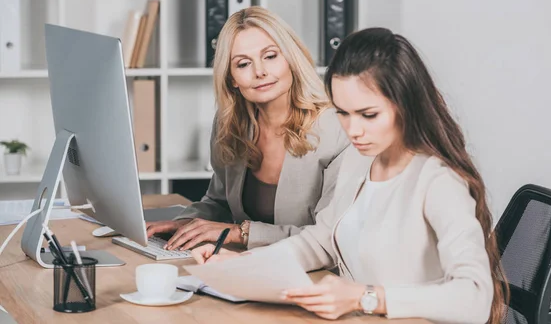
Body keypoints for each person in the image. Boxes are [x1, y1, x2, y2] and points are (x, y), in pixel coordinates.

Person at [193, 28, 508, 323]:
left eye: (368, 115)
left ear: (406, 105)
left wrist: (365, 298)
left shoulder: (438, 181)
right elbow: (320, 242)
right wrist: (242, 266)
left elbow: (476, 297)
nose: (353, 131)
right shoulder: (360, 160)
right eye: (343, 113)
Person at [146, 6, 349, 251]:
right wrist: (186, 223)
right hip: (246, 266)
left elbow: (328, 237)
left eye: (271, 56)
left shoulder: (338, 130)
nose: (260, 71)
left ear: (290, 59)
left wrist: (240, 233)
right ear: (231, 78)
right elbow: (219, 201)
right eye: (243, 64)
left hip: (312, 275)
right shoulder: (229, 124)